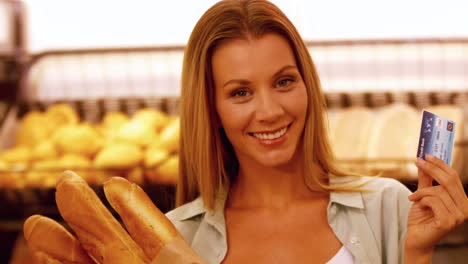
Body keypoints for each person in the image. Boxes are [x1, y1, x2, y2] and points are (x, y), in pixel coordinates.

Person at [23, 0, 468, 263]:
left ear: (307, 86)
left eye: (284, 81)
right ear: (212, 109)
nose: (270, 111)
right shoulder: (169, 239)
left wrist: (416, 254)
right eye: (240, 93)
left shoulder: (390, 207)